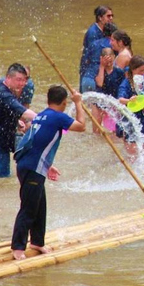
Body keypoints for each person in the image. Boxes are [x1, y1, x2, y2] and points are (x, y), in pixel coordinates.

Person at [11, 86, 86, 260]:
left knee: (40, 205)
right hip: (32, 168)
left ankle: (37, 241)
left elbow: (36, 142)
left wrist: (48, 165)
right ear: (64, 102)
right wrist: (79, 103)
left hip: (28, 164)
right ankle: (17, 247)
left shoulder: (42, 115)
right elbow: (81, 126)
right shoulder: (58, 117)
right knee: (28, 208)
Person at [0, 64, 38, 178]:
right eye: (19, 80)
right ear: (8, 78)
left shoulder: (4, 85)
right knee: (2, 177)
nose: (22, 84)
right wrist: (46, 119)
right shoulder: (3, 93)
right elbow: (24, 112)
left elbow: (4, 110)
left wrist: (15, 121)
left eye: (24, 80)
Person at [79, 5, 114, 89]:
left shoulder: (103, 30)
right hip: (89, 69)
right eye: (108, 16)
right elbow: (91, 54)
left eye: (112, 16)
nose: (111, 18)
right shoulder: (93, 33)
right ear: (100, 18)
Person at [80, 22, 117, 93]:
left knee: (84, 103)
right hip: (98, 78)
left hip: (86, 78)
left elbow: (86, 60)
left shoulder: (94, 43)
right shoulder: (113, 45)